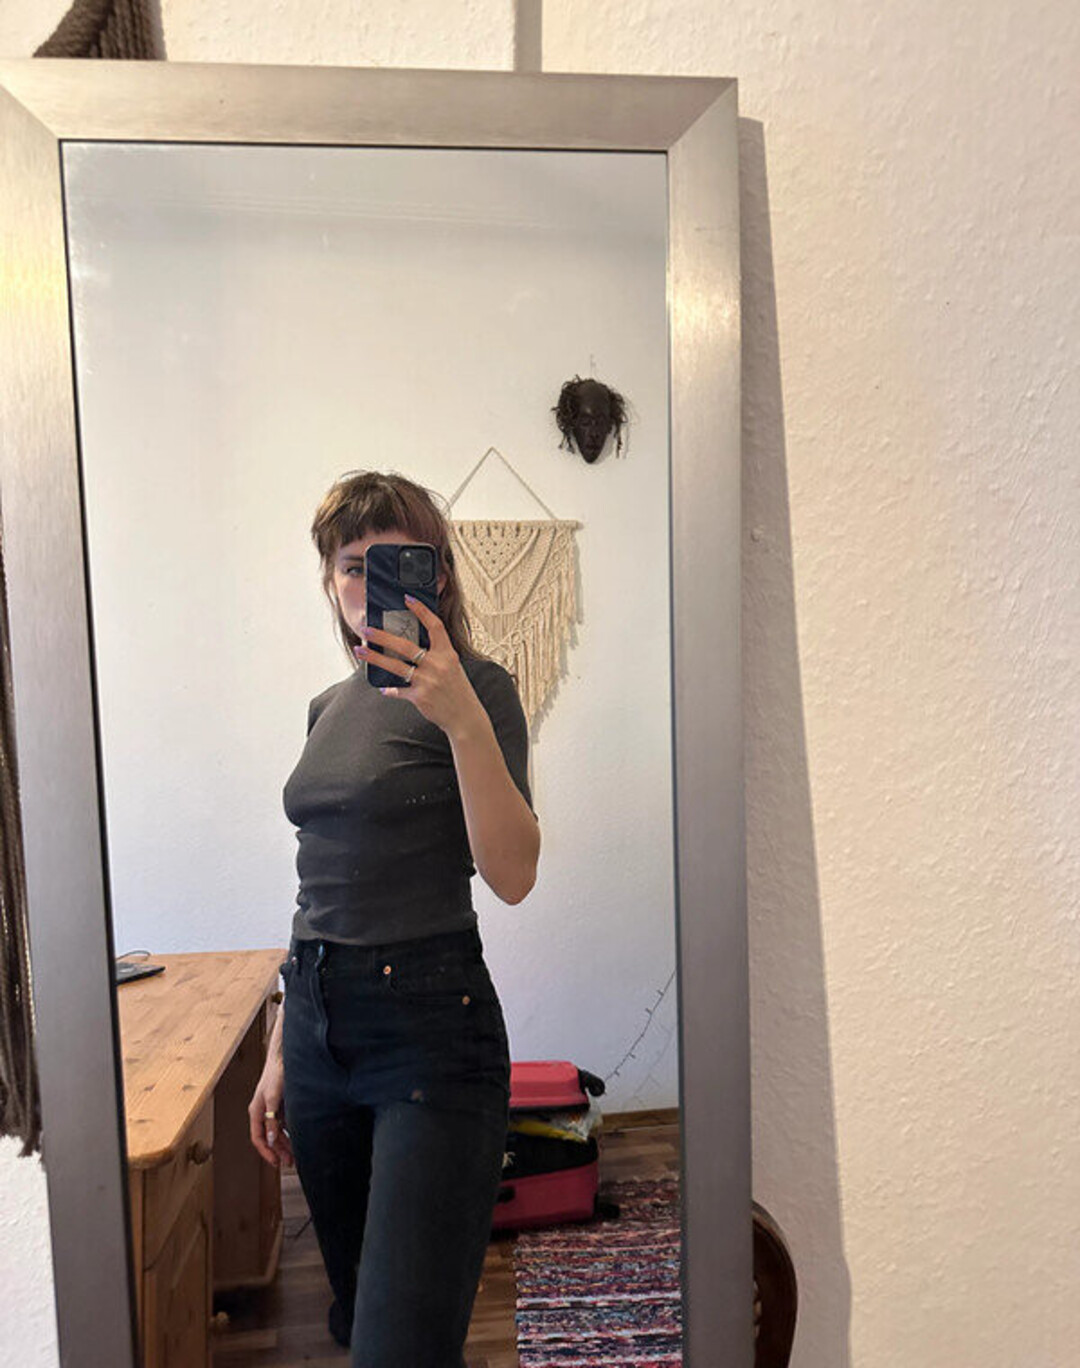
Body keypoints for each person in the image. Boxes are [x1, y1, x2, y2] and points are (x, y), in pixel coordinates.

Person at [248, 470, 540, 1367]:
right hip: (317, 1029)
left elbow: (514, 874)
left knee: (398, 1345)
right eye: (350, 565)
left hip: (429, 1031)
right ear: (331, 583)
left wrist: (460, 722)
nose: (366, 581)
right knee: (357, 1313)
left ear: (435, 576)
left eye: (393, 561)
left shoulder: (481, 690)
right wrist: (282, 1042)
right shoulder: (326, 709)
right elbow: (317, 885)